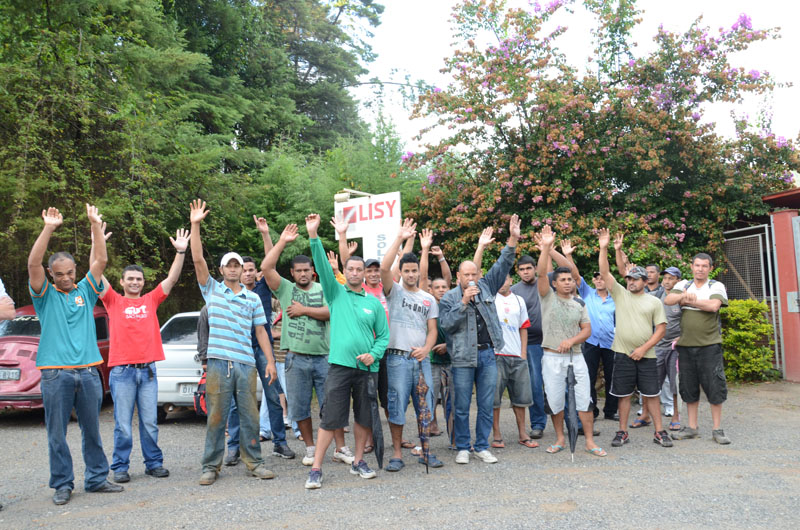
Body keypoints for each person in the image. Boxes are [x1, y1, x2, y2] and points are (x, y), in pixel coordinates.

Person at [28, 205, 123, 505]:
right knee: (57, 433)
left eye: (70, 273)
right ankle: (62, 484)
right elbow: (32, 263)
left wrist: (95, 224)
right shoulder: (45, 295)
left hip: (89, 372)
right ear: (51, 274)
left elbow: (102, 259)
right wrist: (48, 228)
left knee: (92, 430)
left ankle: (96, 479)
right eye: (60, 274)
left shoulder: (86, 290)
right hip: (55, 374)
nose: (66, 278)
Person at [189, 200, 278, 485]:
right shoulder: (212, 290)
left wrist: (271, 362)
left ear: (242, 269)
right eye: (228, 265)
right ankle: (210, 467)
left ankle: (255, 462)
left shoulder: (252, 298)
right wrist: (195, 224)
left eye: (237, 265)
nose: (232, 269)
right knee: (216, 416)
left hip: (246, 365)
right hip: (217, 365)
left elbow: (262, 331)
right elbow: (197, 260)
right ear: (221, 269)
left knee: (250, 415)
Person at [303, 214, 390, 489]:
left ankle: (358, 462)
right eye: (350, 269)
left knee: (364, 418)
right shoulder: (335, 293)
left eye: (358, 270)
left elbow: (384, 336)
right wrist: (313, 235)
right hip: (340, 366)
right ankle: (316, 468)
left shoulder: (373, 303)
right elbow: (320, 265)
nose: (354, 273)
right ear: (346, 270)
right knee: (331, 419)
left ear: (364, 274)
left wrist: (373, 355)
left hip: (367, 369)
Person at [98, 227, 188, 483]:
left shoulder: (151, 300)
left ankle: (153, 463)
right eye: (130, 279)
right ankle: (121, 466)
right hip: (122, 372)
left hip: (148, 371)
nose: (135, 282)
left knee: (150, 422)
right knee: (123, 425)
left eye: (139, 279)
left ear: (143, 282)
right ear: (122, 282)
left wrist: (180, 251)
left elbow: (171, 279)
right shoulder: (112, 300)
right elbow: (96, 272)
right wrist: (98, 243)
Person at [263, 224, 350, 466]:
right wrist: (281, 241)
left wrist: (304, 310)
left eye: (307, 270)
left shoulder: (325, 289)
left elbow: (332, 311)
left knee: (333, 404)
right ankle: (311, 448)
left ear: (313, 271)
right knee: (300, 407)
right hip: (295, 357)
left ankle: (341, 448)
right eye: (299, 270)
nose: (303, 274)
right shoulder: (285, 289)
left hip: (324, 356)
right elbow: (266, 267)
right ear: (292, 273)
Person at [439, 215, 521, 465]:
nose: (471, 277)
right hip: (463, 357)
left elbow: (503, 263)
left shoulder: (487, 287)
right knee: (461, 405)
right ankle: (463, 446)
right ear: (459, 276)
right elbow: (445, 325)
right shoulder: (449, 298)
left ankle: (482, 446)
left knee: (486, 403)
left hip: (487, 354)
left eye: (474, 273)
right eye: (466, 274)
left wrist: (513, 239)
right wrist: (463, 303)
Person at [223, 216, 295, 465]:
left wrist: (266, 234)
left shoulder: (263, 288)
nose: (248, 273)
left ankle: (279, 443)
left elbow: (270, 263)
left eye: (252, 269)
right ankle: (233, 447)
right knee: (234, 401)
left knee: (274, 395)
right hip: (237, 349)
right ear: (238, 272)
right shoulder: (229, 291)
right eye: (243, 269)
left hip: (262, 348)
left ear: (255, 272)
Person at [598, 229, 671, 449]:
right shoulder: (620, 294)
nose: (630, 282)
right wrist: (604, 248)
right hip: (622, 354)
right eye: (628, 278)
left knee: (652, 395)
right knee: (623, 395)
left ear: (644, 281)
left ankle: (659, 432)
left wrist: (643, 348)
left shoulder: (654, 302)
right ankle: (622, 431)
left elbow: (661, 330)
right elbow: (605, 271)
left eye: (635, 279)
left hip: (647, 355)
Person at [536, 226, 604, 457]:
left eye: (569, 280)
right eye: (562, 280)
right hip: (552, 357)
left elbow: (586, 330)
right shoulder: (547, 297)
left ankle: (590, 442)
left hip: (576, 356)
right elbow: (540, 275)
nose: (567, 282)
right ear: (554, 283)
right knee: (555, 400)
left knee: (585, 399)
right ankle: (560, 439)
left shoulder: (580, 303)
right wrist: (546, 248)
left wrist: (571, 340)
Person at [380, 219, 442, 472]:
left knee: (424, 407)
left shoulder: (428, 299)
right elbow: (384, 269)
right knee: (396, 406)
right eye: (406, 271)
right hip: (396, 359)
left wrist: (427, 349)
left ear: (418, 272)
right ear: (401, 273)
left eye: (414, 270)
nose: (411, 274)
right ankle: (397, 454)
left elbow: (433, 330)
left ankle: (425, 451)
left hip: (421, 360)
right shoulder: (393, 291)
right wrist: (399, 238)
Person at [664, 253, 731, 444]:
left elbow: (713, 306)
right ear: (691, 267)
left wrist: (688, 301)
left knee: (714, 386)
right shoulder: (684, 285)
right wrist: (683, 296)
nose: (700, 269)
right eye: (697, 265)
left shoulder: (715, 286)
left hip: (709, 345)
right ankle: (692, 428)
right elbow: (669, 300)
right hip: (685, 346)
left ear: (710, 268)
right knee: (688, 388)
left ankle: (717, 429)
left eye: (705, 266)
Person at [556, 240, 618, 421]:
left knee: (611, 377)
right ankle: (592, 410)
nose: (599, 280)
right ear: (593, 280)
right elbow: (574, 275)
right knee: (588, 377)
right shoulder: (588, 292)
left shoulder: (616, 297)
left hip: (611, 342)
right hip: (590, 342)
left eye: (602, 277)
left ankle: (610, 410)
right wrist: (568, 255)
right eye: (596, 278)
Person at [491, 275, 537, 449]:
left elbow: (523, 327)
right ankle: (496, 434)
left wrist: (523, 352)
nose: (502, 282)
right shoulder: (490, 299)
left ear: (511, 280)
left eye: (505, 279)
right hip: (496, 355)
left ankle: (523, 434)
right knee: (495, 399)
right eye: (499, 279)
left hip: (516, 356)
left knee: (521, 399)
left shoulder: (519, 300)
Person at [510, 254, 549, 440]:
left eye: (529, 268)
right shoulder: (513, 291)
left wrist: (546, 249)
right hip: (530, 343)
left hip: (551, 342)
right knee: (535, 385)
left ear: (535, 268)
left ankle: (576, 423)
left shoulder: (547, 282)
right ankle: (538, 424)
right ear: (518, 272)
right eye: (522, 269)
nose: (526, 272)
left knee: (562, 384)